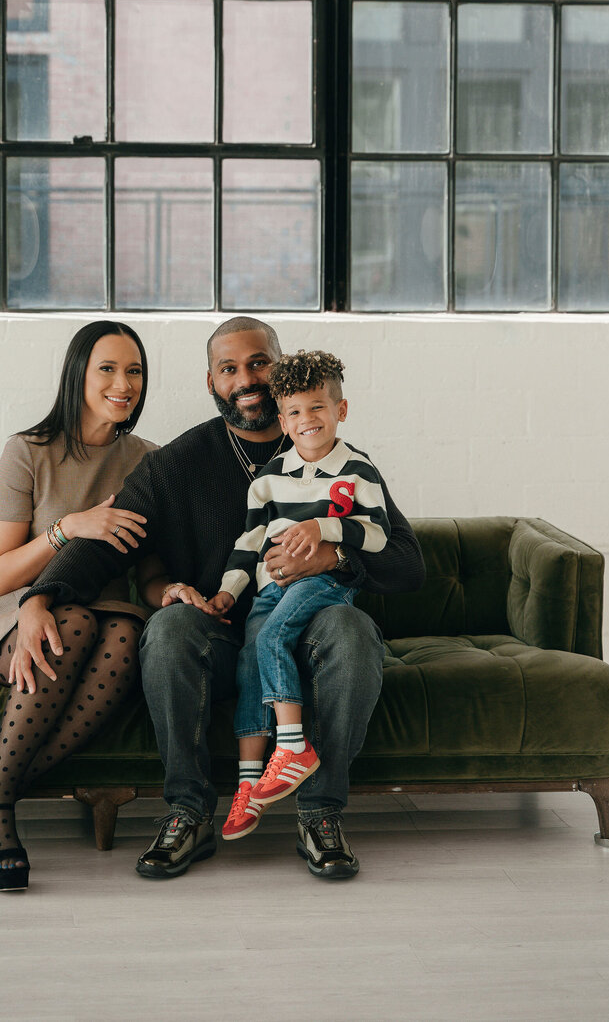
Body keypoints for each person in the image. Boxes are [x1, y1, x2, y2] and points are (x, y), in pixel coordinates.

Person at [19, 316, 425, 881]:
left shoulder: (334, 454)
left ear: (282, 370)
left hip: (307, 622)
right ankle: (188, 813)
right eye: (229, 369)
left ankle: (321, 813)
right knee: (166, 629)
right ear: (211, 382)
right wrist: (41, 596)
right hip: (217, 621)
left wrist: (335, 556)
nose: (246, 379)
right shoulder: (173, 464)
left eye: (259, 363)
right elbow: (113, 541)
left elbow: (407, 562)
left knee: (353, 632)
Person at [0, 321, 159, 891]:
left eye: (133, 370)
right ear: (77, 373)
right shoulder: (27, 451)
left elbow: (152, 570)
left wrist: (177, 590)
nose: (123, 383)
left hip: (109, 618)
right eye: (107, 368)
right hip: (14, 613)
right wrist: (68, 529)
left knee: (125, 633)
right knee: (74, 621)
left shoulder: (150, 461)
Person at [206, 349, 391, 845]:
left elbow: (377, 536)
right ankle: (250, 782)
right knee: (251, 658)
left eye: (318, 408)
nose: (307, 420)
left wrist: (325, 527)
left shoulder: (358, 470)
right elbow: (249, 544)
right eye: (295, 412)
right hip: (269, 587)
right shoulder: (267, 478)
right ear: (283, 421)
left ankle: (291, 748)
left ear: (341, 411)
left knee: (273, 641)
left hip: (324, 582)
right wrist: (228, 593)